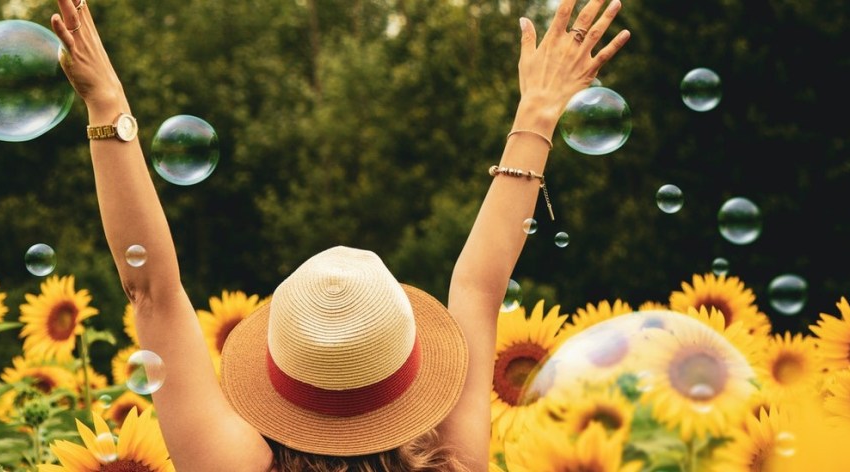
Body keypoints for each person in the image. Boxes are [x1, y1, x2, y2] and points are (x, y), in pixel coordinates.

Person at [48, 0, 629, 469]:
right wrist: (538, 111)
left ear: (280, 375)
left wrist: (108, 104)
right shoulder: (453, 462)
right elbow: (479, 286)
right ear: (411, 375)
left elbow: (150, 289)